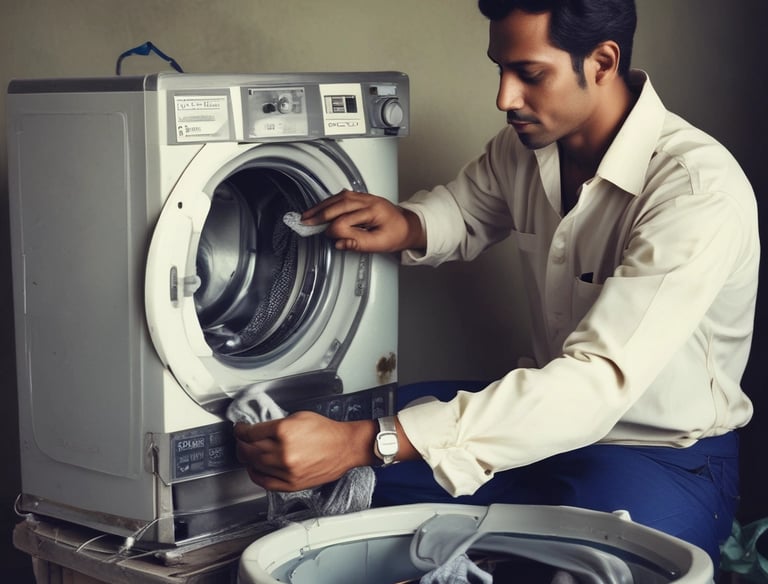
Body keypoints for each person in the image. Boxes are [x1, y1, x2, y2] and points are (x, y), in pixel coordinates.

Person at [233, 0, 758, 570]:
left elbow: (594, 386)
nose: (505, 98)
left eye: (530, 74)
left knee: (593, 570)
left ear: (603, 62)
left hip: (663, 455)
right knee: (330, 443)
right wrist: (407, 222)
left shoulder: (695, 192)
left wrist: (370, 442)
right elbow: (467, 209)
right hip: (542, 425)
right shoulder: (528, 144)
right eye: (500, 69)